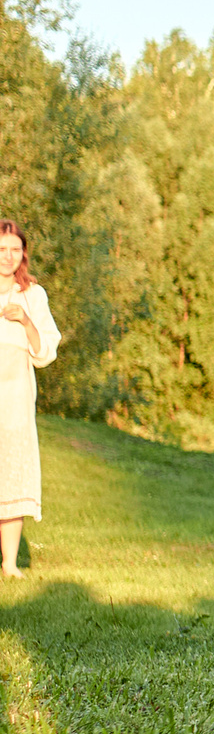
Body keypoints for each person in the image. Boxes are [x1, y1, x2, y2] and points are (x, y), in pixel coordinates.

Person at [0, 221, 61, 575]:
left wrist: (25, 322)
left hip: (15, 400)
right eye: (1, 249)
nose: (7, 257)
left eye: (14, 249)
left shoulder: (33, 295)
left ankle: (9, 564)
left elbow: (45, 353)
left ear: (23, 253)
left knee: (11, 475)